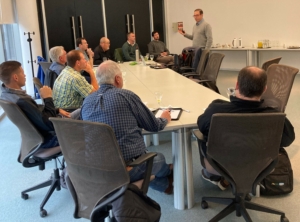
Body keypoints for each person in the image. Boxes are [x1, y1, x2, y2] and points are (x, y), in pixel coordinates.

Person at [81, 60, 174, 194]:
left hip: (97, 169)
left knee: (150, 164)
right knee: (159, 159)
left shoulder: (87, 101)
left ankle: (166, 185)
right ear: (118, 79)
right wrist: (164, 118)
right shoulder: (126, 96)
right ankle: (167, 179)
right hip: (127, 167)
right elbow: (154, 126)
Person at [197, 66, 295, 190]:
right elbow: (288, 139)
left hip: (220, 165)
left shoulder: (216, 110)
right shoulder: (274, 116)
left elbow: (202, 126)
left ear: (237, 85)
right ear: (264, 89)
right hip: (260, 165)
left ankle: (218, 177)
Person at [0, 61, 70, 148]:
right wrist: (47, 98)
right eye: (22, 73)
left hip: (34, 137)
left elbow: (35, 112)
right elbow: (50, 125)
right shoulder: (22, 100)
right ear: (15, 77)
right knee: (81, 116)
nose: (25, 75)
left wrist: (57, 110)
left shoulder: (5, 95)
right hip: (49, 138)